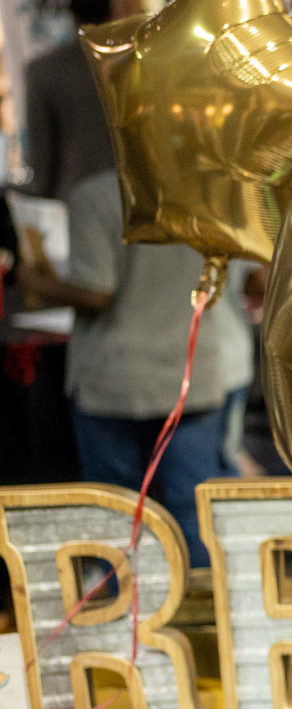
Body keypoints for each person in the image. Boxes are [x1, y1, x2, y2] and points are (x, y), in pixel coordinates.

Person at [16, 170, 249, 564]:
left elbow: (96, 292)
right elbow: (251, 276)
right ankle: (203, 616)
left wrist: (35, 281)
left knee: (118, 517)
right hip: (192, 375)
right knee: (193, 515)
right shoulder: (206, 193)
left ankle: (126, 618)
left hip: (116, 378)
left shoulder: (97, 195)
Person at [23, 0, 117, 203]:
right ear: (111, 10)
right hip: (139, 193)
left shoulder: (45, 71)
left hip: (78, 194)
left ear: (71, 14)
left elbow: (42, 156)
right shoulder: (132, 59)